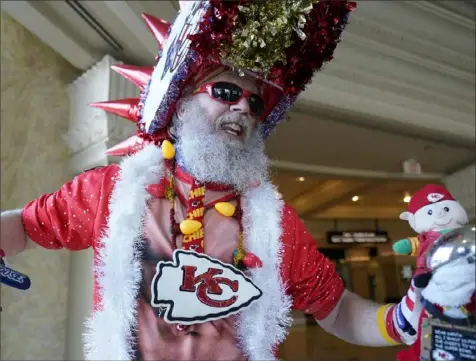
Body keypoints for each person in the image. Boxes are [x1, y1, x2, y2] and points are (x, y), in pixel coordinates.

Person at [1, 1, 424, 360]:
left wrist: (405, 316)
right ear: (182, 101)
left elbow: (337, 310)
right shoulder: (114, 192)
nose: (243, 107)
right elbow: (26, 226)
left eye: (255, 102)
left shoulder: (275, 227)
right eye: (225, 92)